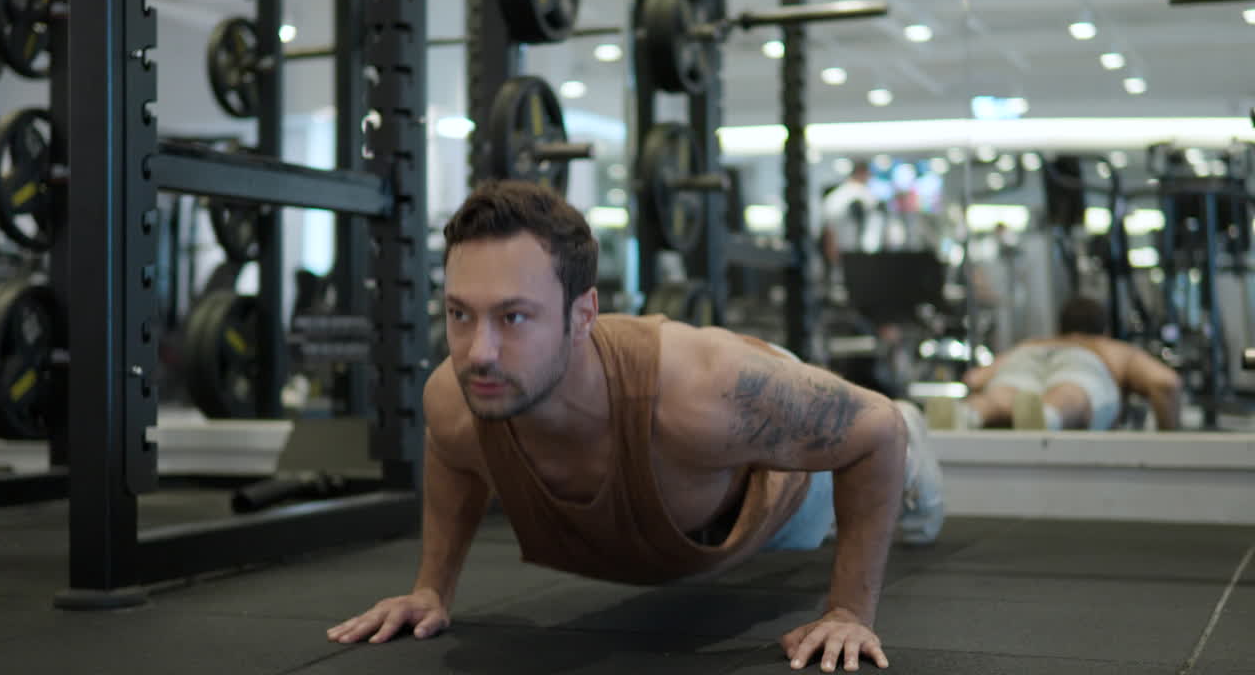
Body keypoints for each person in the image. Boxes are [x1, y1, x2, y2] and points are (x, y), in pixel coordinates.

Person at [326, 180, 946, 672]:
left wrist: (848, 611)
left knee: (892, 441)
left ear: (582, 313)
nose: (478, 350)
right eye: (461, 314)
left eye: (513, 317)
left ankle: (921, 443)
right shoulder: (454, 395)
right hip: (694, 506)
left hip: (783, 489)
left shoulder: (700, 393)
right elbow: (450, 452)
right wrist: (432, 589)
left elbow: (874, 432)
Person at [927, 296, 1184, 431]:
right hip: (1086, 363)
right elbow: (1166, 382)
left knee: (1001, 396)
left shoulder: (1033, 343)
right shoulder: (1109, 347)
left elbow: (975, 379)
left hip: (1024, 360)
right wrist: (1168, 440)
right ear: (1104, 330)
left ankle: (968, 414)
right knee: (1072, 393)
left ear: (1060, 327)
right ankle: (1050, 414)